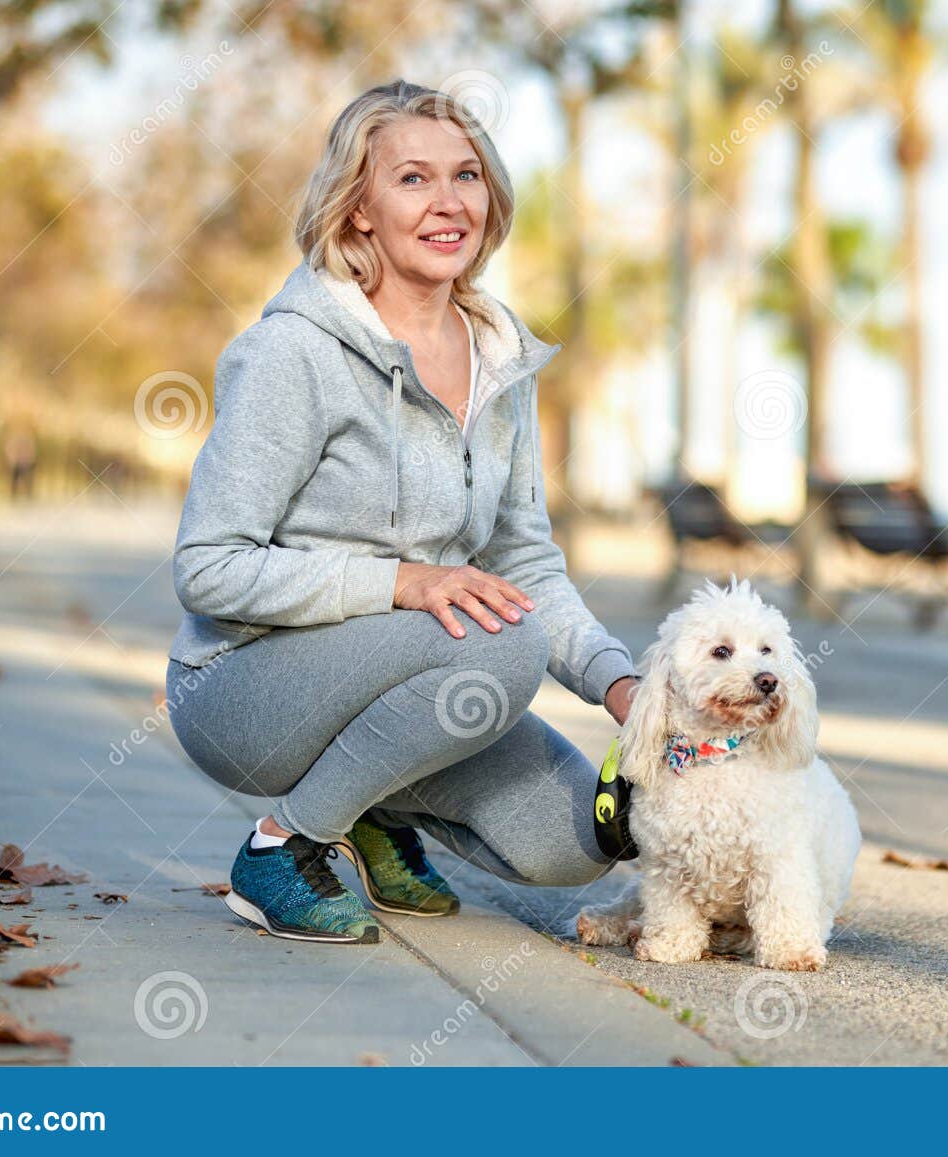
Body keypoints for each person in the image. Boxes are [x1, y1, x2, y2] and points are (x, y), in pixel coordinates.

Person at [164, 79, 640, 944]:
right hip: (241, 689)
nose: (448, 201)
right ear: (357, 211)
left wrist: (623, 684)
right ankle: (285, 847)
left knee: (580, 838)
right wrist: (403, 583)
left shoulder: (499, 360)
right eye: (413, 179)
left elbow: (524, 563)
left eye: (467, 175)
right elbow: (209, 565)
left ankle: (374, 806)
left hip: (398, 679)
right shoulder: (294, 352)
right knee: (504, 641)